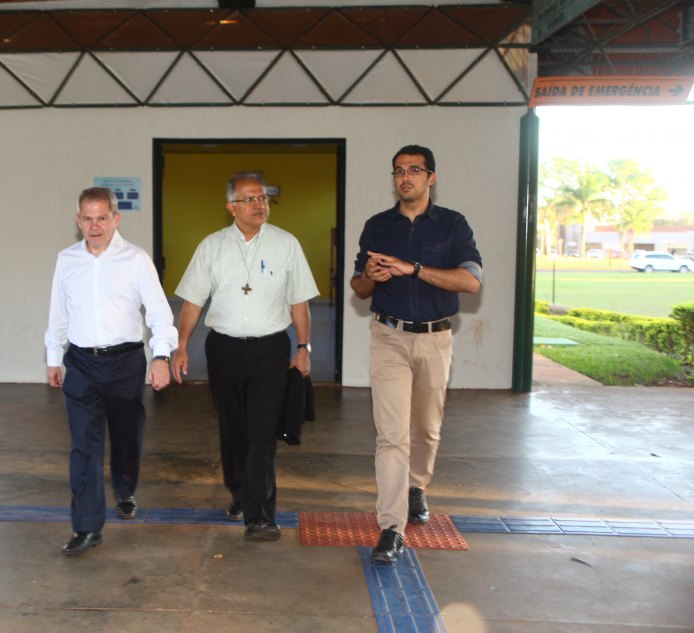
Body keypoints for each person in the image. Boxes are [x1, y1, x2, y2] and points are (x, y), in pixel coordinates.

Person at [350, 145, 482, 564]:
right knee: (391, 435)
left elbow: (471, 281)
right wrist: (370, 276)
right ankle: (392, 526)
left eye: (413, 170)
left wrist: (415, 269)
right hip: (388, 336)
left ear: (431, 177)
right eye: (398, 171)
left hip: (435, 339)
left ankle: (416, 486)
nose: (404, 177)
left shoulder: (453, 225)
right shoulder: (377, 226)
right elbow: (358, 287)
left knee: (426, 428)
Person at [172, 170, 318, 542]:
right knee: (233, 427)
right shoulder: (212, 246)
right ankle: (239, 490)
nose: (259, 204)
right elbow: (193, 301)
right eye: (250, 199)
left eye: (263, 198)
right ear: (231, 207)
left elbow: (299, 302)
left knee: (262, 431)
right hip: (223, 349)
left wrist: (303, 348)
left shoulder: (286, 244)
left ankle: (261, 515)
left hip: (270, 349)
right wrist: (181, 345)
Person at [45, 186, 178, 557]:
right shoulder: (66, 260)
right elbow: (58, 312)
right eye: (87, 218)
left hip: (125, 363)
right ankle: (87, 527)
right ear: (78, 221)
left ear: (115, 219)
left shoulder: (135, 259)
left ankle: (124, 489)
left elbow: (158, 312)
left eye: (102, 218)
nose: (95, 225)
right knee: (83, 447)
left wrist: (161, 356)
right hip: (81, 363)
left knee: (125, 436)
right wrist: (54, 357)